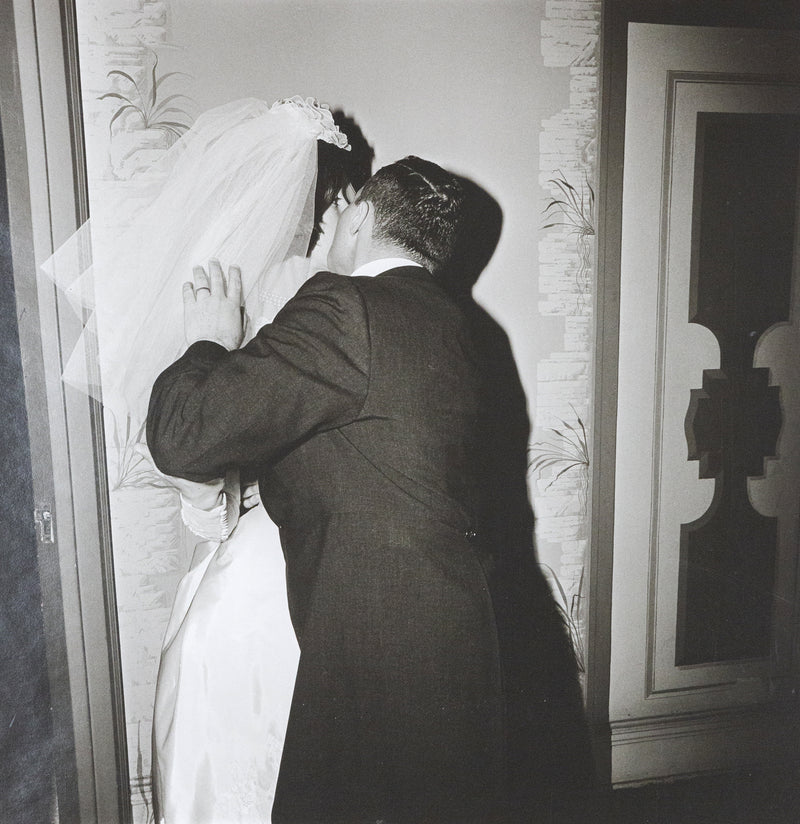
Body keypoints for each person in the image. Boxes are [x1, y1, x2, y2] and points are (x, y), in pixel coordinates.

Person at [147, 156, 597, 823]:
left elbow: (183, 436)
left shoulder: (346, 305)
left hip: (384, 659)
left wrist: (209, 345)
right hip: (464, 640)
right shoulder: (467, 328)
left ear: (358, 217)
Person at [140, 100, 373, 824]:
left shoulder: (238, 291)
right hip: (305, 567)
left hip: (241, 568)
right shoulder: (329, 303)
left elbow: (195, 461)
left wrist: (216, 508)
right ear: (338, 199)